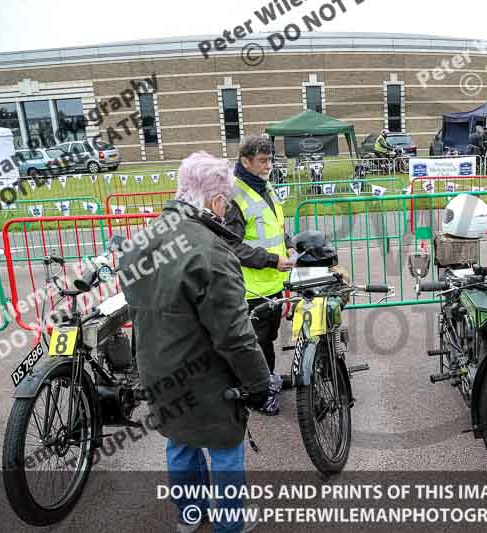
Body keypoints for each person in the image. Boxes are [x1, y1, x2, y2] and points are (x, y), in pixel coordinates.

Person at [119, 151, 271, 533]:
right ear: (216, 201)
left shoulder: (143, 238)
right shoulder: (211, 251)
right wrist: (259, 383)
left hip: (156, 362)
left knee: (181, 441)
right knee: (223, 446)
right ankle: (230, 524)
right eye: (226, 203)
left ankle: (189, 515)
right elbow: (235, 334)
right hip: (206, 373)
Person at [224, 135, 294, 416]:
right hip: (251, 289)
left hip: (273, 283)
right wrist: (271, 260)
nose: (268, 166)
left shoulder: (265, 187)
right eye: (262, 161)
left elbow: (274, 226)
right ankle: (258, 395)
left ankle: (267, 382)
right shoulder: (236, 196)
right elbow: (232, 244)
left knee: (268, 339)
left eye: (270, 160)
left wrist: (288, 243)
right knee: (256, 345)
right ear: (245, 161)